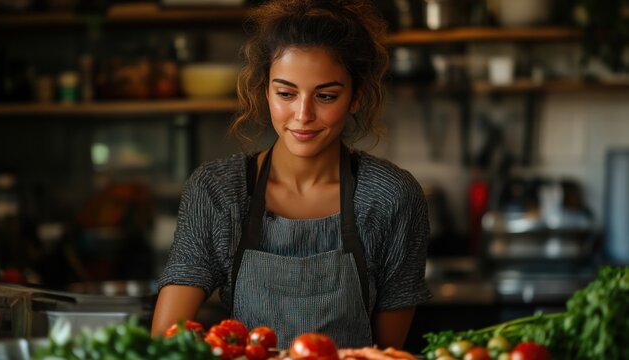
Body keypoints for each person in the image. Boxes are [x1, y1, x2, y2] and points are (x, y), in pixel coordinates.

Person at [151, 0, 431, 349]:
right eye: (286, 93)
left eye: (326, 96)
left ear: (356, 97)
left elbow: (388, 354)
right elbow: (164, 342)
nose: (303, 114)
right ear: (265, 90)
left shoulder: (391, 196)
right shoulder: (218, 191)